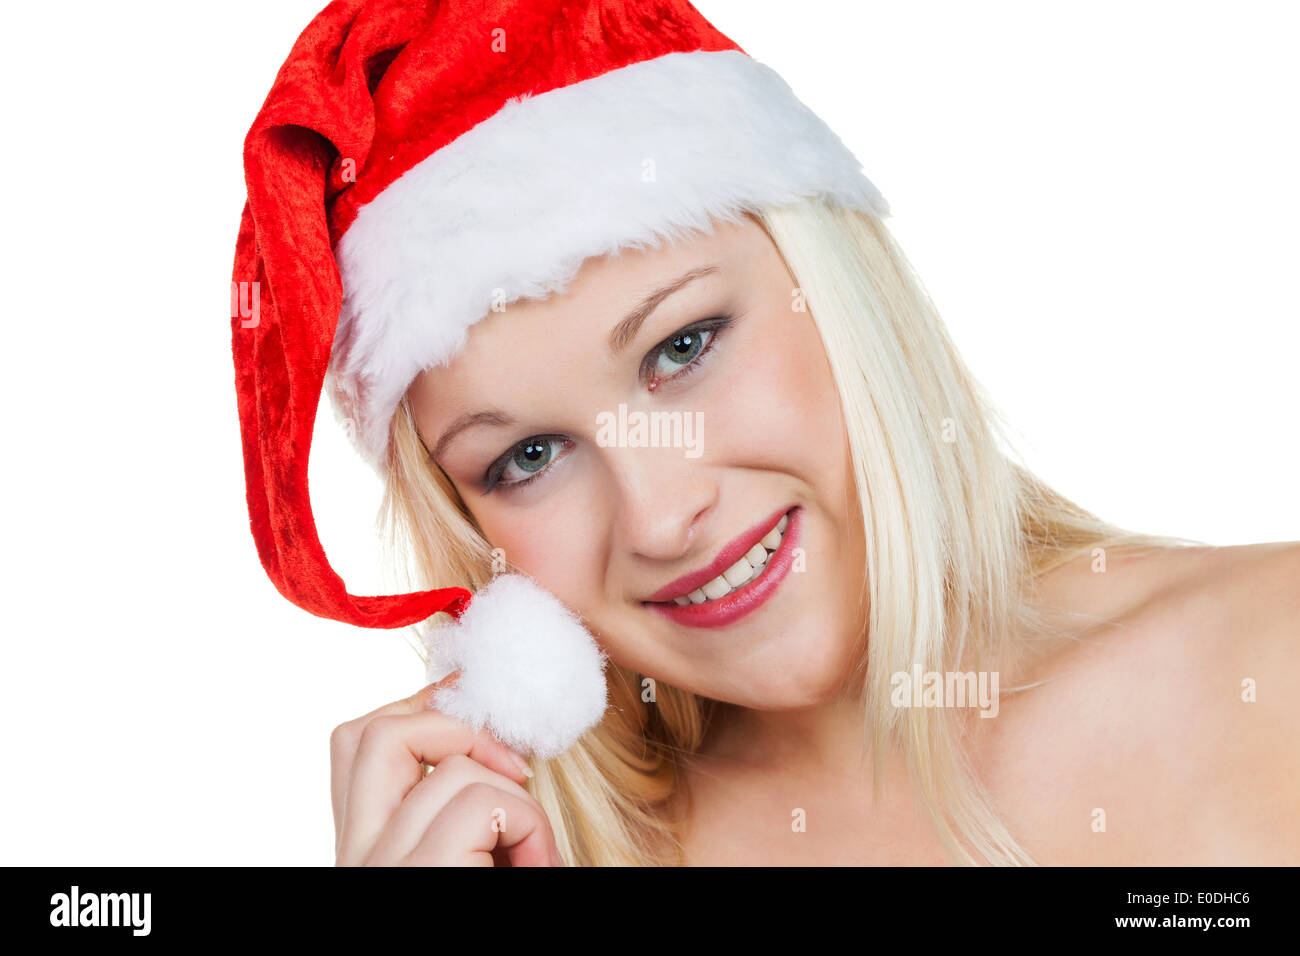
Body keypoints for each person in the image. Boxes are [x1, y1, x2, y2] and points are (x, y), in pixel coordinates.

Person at [232, 0, 1300, 866]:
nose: (660, 515)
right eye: (528, 457)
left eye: (683, 345)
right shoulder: (555, 852)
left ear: (835, 293)